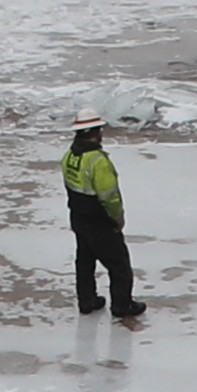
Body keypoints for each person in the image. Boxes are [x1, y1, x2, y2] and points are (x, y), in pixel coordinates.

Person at [62, 120, 140, 323]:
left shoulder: (69, 157)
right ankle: (122, 305)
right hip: (99, 221)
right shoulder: (98, 161)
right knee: (119, 264)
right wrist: (118, 218)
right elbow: (109, 196)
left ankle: (87, 301)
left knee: (85, 261)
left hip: (78, 217)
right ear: (96, 134)